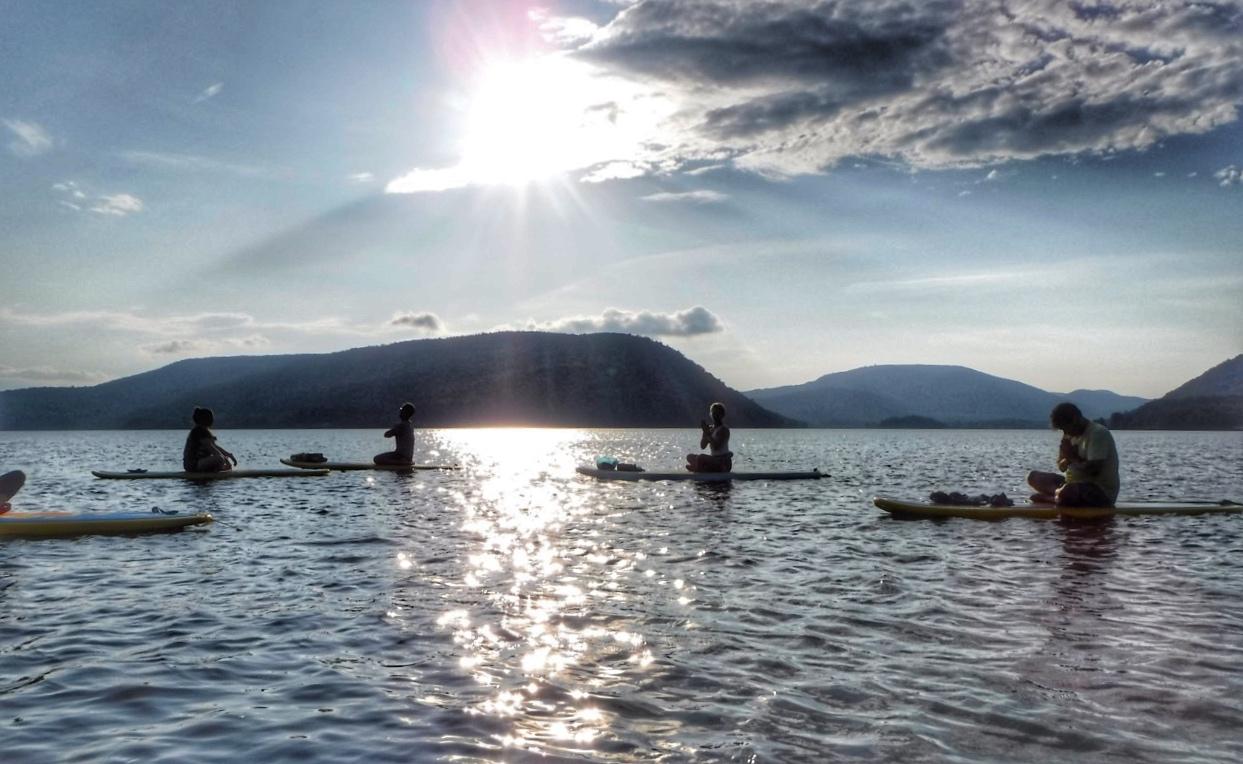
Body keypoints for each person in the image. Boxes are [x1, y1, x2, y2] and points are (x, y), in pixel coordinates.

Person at [1027, 402, 1119, 507]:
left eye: (1066, 428)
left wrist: (1072, 456)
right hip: (1072, 485)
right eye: (1062, 430)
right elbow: (1062, 468)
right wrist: (1065, 457)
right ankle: (1058, 495)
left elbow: (1094, 471)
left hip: (1100, 491)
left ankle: (1052, 498)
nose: (1065, 433)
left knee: (1068, 491)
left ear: (1076, 419)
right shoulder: (1069, 436)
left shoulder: (1098, 433)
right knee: (1033, 477)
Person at [182, 407, 236, 473]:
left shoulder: (203, 431)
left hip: (196, 464)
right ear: (206, 419)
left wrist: (228, 455)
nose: (213, 420)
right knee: (220, 458)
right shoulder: (198, 431)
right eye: (211, 418)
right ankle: (214, 471)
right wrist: (224, 460)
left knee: (222, 458)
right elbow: (212, 449)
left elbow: (215, 446)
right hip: (193, 465)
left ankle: (213, 470)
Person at [686, 402, 733, 473]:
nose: (715, 415)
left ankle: (699, 469)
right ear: (711, 414)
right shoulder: (711, 429)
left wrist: (707, 433)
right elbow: (703, 446)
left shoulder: (724, 429)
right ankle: (703, 468)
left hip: (723, 462)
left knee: (701, 457)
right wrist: (704, 432)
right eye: (713, 413)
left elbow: (716, 447)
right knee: (689, 457)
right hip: (714, 460)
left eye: (717, 413)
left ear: (722, 415)